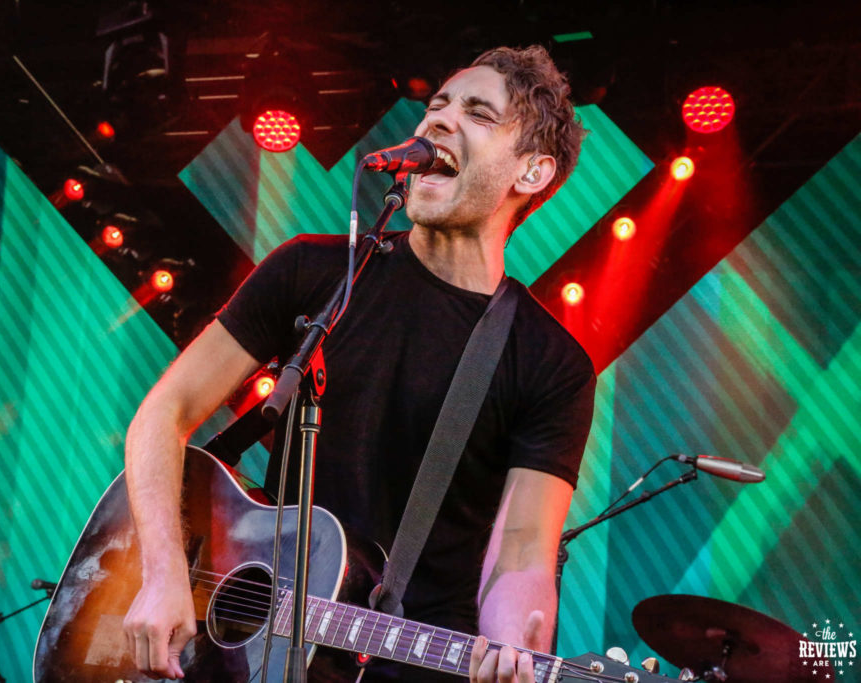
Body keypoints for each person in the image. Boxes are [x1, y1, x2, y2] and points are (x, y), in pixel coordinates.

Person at [122, 45, 595, 683]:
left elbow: (521, 553)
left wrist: (512, 646)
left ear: (532, 173)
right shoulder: (313, 273)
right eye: (436, 106)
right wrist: (163, 574)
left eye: (478, 114)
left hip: (404, 660)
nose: (438, 122)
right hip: (241, 650)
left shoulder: (547, 361)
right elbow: (163, 413)